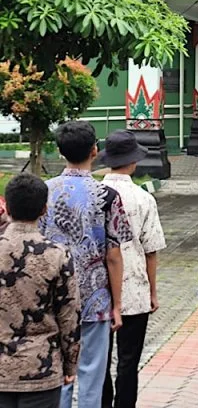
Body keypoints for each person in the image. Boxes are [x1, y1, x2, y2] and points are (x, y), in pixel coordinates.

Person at [39, 121, 133, 408]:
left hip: (53, 299)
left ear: (59, 151)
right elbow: (114, 254)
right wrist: (117, 305)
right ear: (95, 150)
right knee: (92, 376)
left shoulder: (44, 191)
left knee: (59, 373)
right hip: (95, 300)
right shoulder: (108, 196)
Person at [0, 173, 80, 408]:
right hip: (41, 369)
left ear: (8, 206)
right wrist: (70, 364)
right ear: (45, 209)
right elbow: (69, 316)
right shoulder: (57, 254)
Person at [99, 131, 166, 408]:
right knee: (129, 360)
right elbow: (151, 250)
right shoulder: (142, 198)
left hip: (97, 290)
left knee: (99, 360)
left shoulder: (94, 194)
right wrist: (152, 291)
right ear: (133, 162)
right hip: (134, 287)